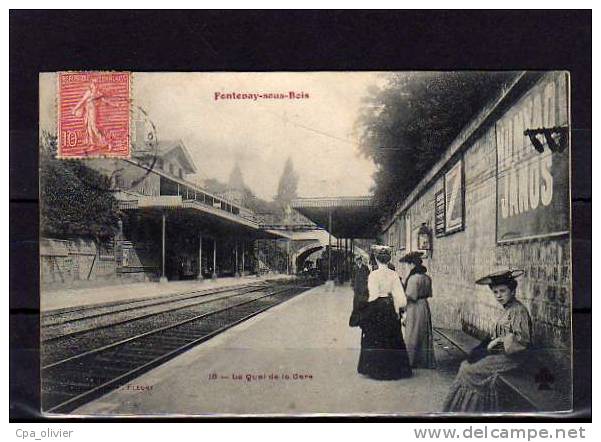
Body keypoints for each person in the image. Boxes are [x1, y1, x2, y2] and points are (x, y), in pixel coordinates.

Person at [442, 270, 532, 412]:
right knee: (465, 364)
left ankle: (475, 410)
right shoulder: (507, 309)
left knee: (470, 370)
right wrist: (484, 349)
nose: (499, 295)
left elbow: (521, 341)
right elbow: (495, 336)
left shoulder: (517, 310)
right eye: (495, 292)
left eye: (503, 291)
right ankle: (463, 410)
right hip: (500, 354)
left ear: (513, 291)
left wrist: (494, 346)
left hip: (512, 358)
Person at [357, 246, 412, 380]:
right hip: (389, 306)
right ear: (389, 259)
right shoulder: (394, 274)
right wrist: (399, 310)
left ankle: (376, 368)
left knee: (375, 335)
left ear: (376, 259)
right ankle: (395, 368)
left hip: (377, 307)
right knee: (393, 335)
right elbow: (400, 297)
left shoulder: (373, 275)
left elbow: (373, 295)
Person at [400, 251, 436, 369]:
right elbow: (429, 293)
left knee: (412, 333)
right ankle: (424, 361)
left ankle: (411, 360)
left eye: (409, 264)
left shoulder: (413, 279)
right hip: (424, 305)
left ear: (412, 265)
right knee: (424, 333)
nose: (408, 267)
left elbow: (410, 295)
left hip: (414, 307)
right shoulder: (427, 278)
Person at [349, 256, 369, 327]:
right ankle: (356, 315)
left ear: (361, 260)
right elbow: (352, 277)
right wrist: (352, 285)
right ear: (356, 261)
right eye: (357, 260)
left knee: (363, 299)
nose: (358, 261)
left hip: (363, 286)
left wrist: (367, 284)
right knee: (356, 300)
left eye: (359, 260)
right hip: (357, 286)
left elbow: (368, 276)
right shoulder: (354, 268)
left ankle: (362, 314)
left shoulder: (365, 267)